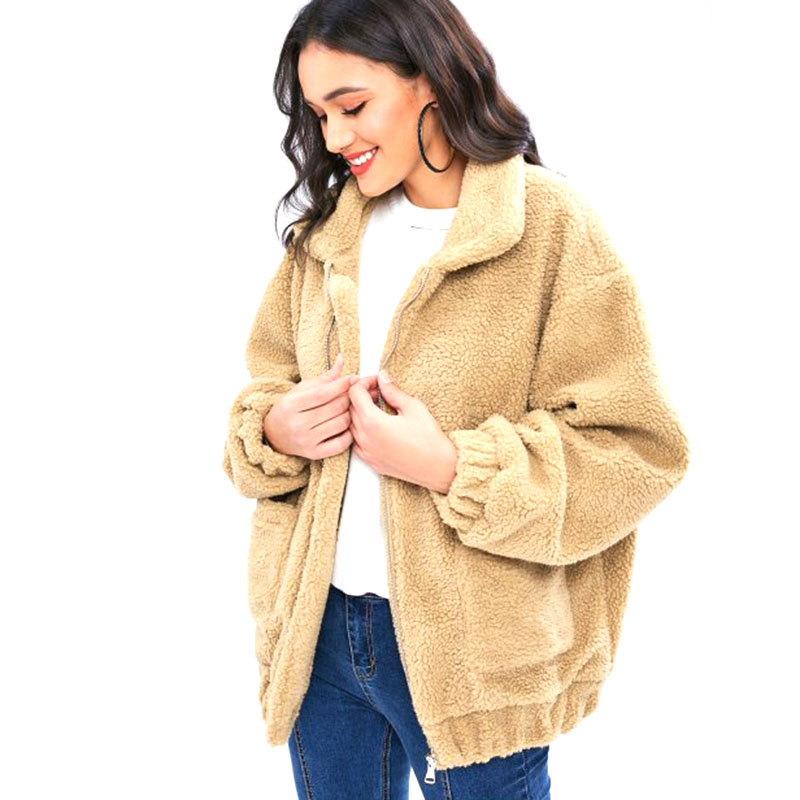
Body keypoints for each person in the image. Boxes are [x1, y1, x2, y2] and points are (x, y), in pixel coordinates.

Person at [221, 1, 691, 798]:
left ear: (431, 80)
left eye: (352, 106)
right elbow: (264, 386)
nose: (332, 138)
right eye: (319, 115)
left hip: (478, 656)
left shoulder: (550, 228)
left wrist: (450, 465)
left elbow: (638, 449)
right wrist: (274, 428)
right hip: (320, 636)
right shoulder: (329, 237)